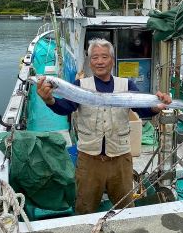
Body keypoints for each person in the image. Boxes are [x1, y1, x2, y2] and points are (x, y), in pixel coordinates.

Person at [36, 38, 172, 214]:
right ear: (89, 62)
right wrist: (49, 100)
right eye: (94, 57)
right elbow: (65, 108)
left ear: (112, 60)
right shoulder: (80, 86)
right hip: (89, 160)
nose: (99, 61)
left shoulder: (127, 85)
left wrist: (157, 106)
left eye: (104, 57)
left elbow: (143, 110)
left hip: (121, 159)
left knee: (126, 209)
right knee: (85, 208)